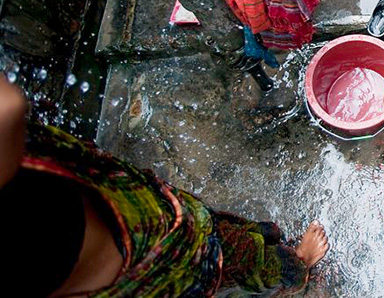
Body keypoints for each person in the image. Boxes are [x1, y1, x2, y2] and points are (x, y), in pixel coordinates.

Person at [0, 77, 329, 296]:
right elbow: (8, 104)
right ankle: (297, 265)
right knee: (237, 259)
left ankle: (266, 243)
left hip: (128, 220)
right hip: (156, 259)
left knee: (223, 234)